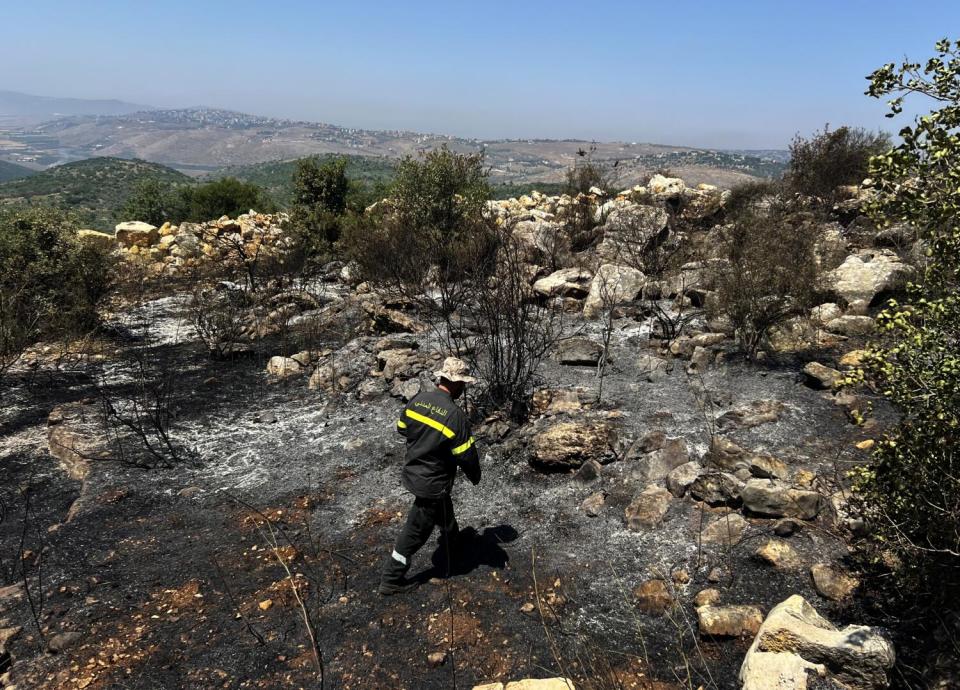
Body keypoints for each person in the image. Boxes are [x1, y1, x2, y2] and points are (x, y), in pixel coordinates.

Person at [378, 357, 482, 595]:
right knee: (414, 531)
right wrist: (475, 475)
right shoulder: (455, 416)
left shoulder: (418, 400)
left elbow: (402, 428)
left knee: (443, 508)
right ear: (456, 384)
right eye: (463, 383)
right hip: (432, 483)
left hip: (414, 472)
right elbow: (465, 455)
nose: (464, 387)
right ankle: (391, 578)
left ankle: (452, 541)